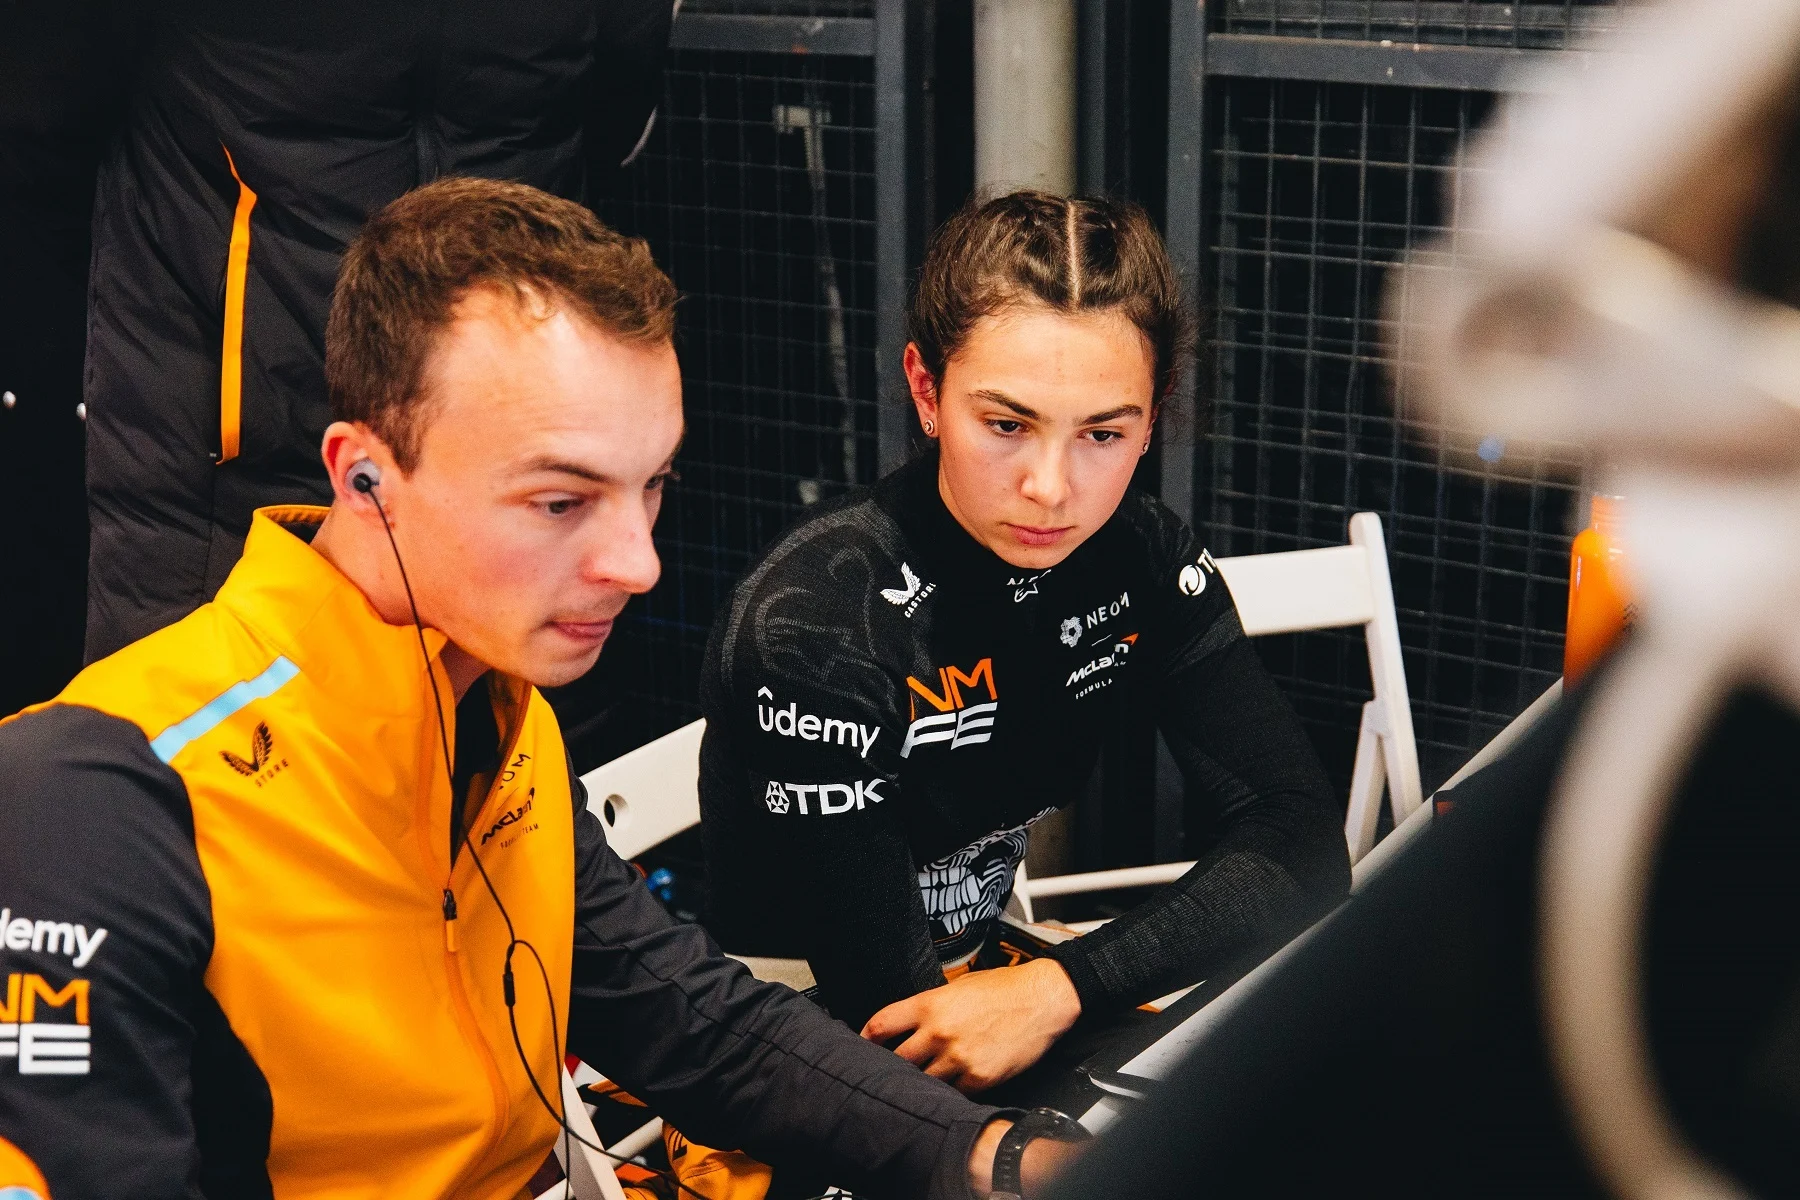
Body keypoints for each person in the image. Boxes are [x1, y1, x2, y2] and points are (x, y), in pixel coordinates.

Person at [0, 178, 1078, 1199]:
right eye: (563, 501)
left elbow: (694, 1025)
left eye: (651, 485)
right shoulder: (94, 799)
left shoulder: (501, 711)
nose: (639, 562)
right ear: (362, 478)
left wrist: (1002, 1157)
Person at [696, 190, 1353, 1092]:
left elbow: (1304, 845)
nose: (1051, 486)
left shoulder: (1143, 551)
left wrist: (1062, 984)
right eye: (1006, 425)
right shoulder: (817, 623)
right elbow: (893, 1013)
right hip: (786, 1042)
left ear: (1153, 416)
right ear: (927, 391)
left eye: (1103, 433)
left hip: (997, 987)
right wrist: (1056, 991)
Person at [0, 0, 675, 666]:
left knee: (497, 748)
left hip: (512, 446)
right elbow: (43, 115)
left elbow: (617, 99)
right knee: (207, 744)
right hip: (229, 451)